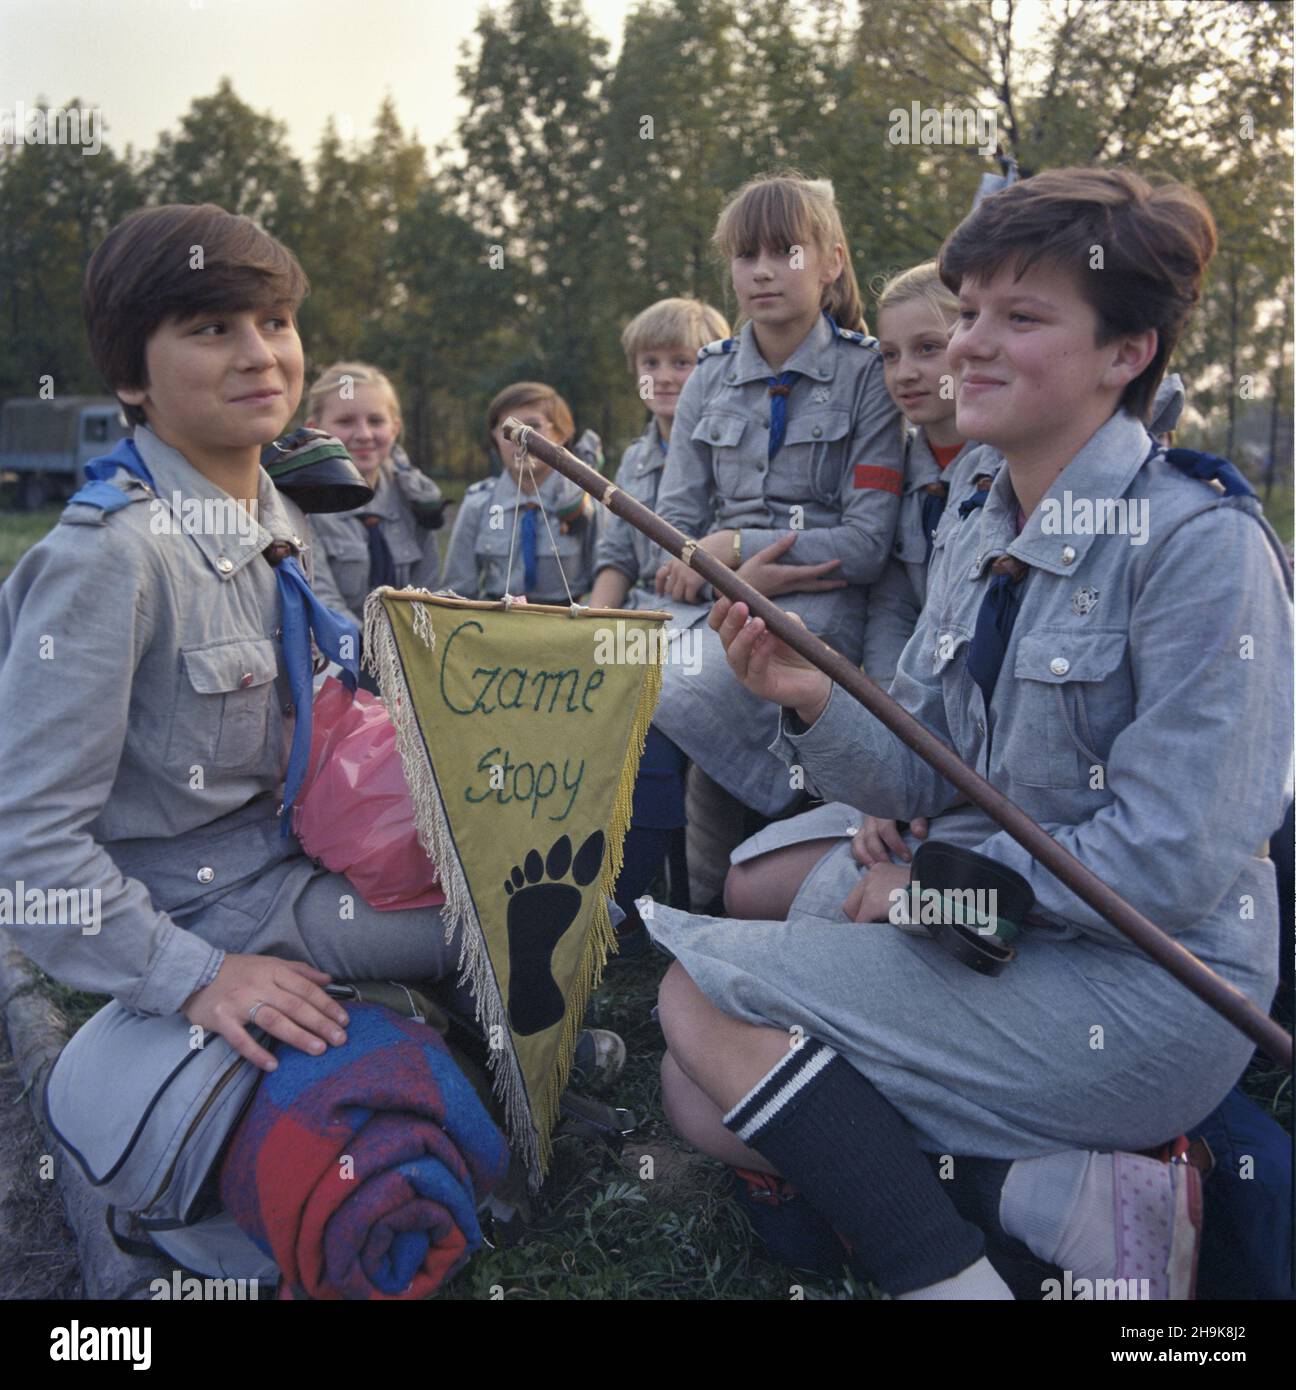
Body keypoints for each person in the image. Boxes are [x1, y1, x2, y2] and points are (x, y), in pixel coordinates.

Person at [645, 167, 1293, 1299]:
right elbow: (919, 764)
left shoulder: (1201, 545)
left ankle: (952, 1278)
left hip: (1144, 993)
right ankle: (1057, 1200)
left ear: (1127, 351)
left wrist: (937, 890)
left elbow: (1170, 865)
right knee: (693, 1093)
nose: (969, 347)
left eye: (1021, 318)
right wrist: (810, 693)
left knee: (695, 1003)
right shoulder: (981, 515)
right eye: (972, 312)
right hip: (1005, 942)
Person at [645, 173, 904, 898]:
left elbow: (865, 545)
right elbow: (672, 529)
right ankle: (642, 896)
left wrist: (732, 547)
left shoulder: (866, 375)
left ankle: (718, 893)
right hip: (711, 603)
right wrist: (720, 563)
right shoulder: (710, 376)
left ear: (831, 261)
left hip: (820, 608)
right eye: (745, 254)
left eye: (786, 252)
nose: (761, 272)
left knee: (697, 686)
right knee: (616, 674)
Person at [303, 360, 444, 628]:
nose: (364, 434)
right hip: (337, 656)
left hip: (412, 654)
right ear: (314, 430)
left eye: (376, 421)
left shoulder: (416, 501)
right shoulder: (303, 507)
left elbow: (431, 596)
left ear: (395, 428)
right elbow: (323, 604)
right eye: (345, 421)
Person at [441, 382, 598, 604]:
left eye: (533, 427)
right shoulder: (479, 504)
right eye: (508, 430)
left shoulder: (585, 502)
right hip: (496, 625)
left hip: (568, 627)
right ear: (495, 436)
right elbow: (456, 592)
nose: (521, 440)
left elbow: (607, 579)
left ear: (562, 433)